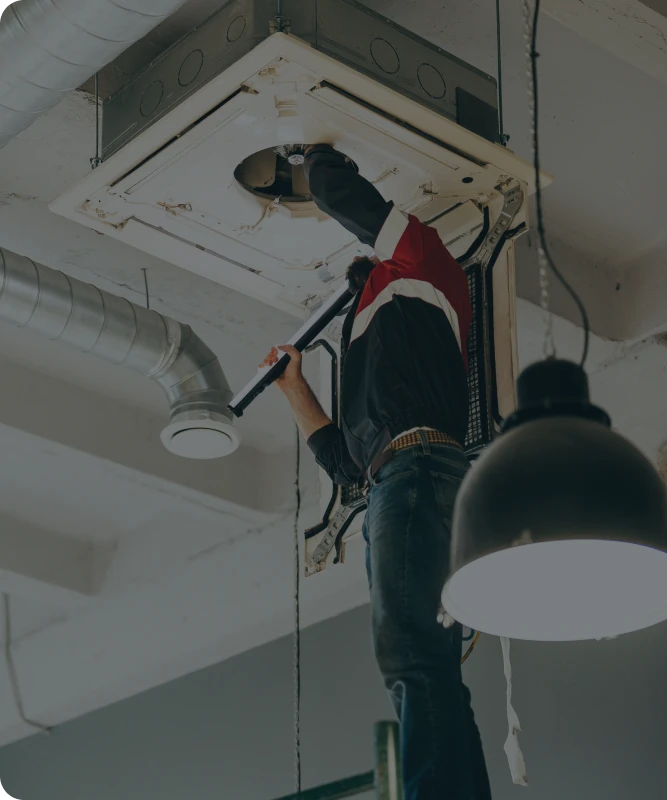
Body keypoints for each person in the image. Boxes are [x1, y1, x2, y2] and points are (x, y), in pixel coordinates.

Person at [262, 144, 491, 800]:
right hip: (408, 477)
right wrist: (292, 389)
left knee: (417, 661)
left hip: (417, 476)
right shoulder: (366, 333)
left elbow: (348, 199)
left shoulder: (425, 260)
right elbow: (345, 462)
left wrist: (313, 159)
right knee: (426, 665)